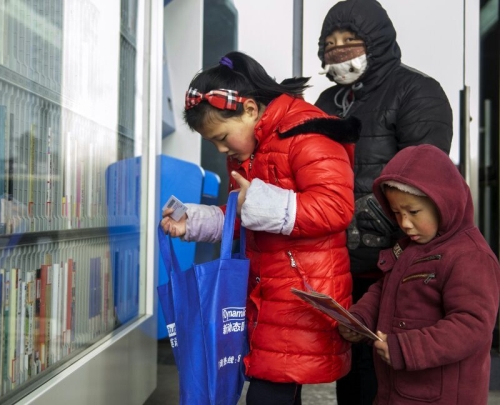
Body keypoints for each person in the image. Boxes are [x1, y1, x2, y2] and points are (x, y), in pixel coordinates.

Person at [161, 51, 361, 404]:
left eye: (223, 137)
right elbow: (245, 214)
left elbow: (336, 207)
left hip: (301, 296)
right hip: (266, 295)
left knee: (268, 396)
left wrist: (259, 202)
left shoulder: (308, 133)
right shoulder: (250, 147)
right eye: (213, 142)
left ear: (250, 110)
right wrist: (193, 221)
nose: (221, 149)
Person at [313, 1, 454, 403]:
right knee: (353, 372)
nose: (339, 50)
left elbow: (423, 175)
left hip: (396, 260)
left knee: (390, 372)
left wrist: (367, 218)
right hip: (340, 262)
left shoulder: (416, 90)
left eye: (350, 40)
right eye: (330, 44)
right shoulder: (327, 101)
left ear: (376, 40)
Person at [338, 144, 500, 404]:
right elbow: (383, 290)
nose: (404, 223)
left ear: (443, 203)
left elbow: (472, 325)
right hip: (397, 392)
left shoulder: (471, 256)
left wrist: (408, 349)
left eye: (413, 212)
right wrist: (360, 319)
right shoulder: (409, 246)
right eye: (396, 213)